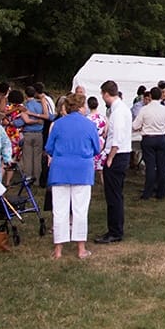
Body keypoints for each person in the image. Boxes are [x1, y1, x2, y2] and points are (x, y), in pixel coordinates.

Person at [45, 92, 102, 259]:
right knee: (80, 209)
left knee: (60, 210)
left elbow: (49, 147)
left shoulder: (57, 125)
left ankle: (58, 250)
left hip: (60, 169)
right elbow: (97, 148)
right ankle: (81, 248)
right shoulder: (89, 125)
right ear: (80, 107)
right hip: (82, 170)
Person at [94, 81, 130, 244]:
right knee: (115, 194)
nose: (103, 98)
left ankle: (115, 231)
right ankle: (115, 228)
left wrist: (110, 157)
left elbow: (118, 136)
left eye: (103, 95)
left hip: (117, 155)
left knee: (113, 195)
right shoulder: (119, 109)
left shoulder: (118, 112)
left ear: (106, 94)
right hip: (120, 154)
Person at [132, 89, 165, 200]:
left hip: (148, 138)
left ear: (150, 96)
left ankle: (148, 193)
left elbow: (135, 125)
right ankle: (161, 192)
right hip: (161, 138)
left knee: (150, 167)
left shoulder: (144, 110)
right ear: (160, 96)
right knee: (162, 166)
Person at [18, 85, 46, 186]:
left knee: (27, 157)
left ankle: (28, 178)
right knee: (37, 158)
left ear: (26, 95)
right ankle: (37, 180)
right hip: (39, 134)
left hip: (28, 133)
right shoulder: (40, 105)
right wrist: (38, 121)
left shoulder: (25, 106)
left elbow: (24, 120)